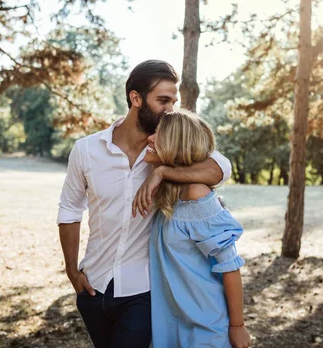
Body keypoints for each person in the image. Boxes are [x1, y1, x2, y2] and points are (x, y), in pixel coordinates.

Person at [56, 60, 232, 348]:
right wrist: (72, 270)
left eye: (173, 101)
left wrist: (163, 171)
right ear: (135, 98)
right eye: (163, 100)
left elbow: (221, 168)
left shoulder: (166, 152)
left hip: (144, 292)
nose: (170, 109)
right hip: (93, 287)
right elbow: (70, 209)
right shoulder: (86, 150)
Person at [143, 110, 251, 348]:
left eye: (157, 134)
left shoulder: (196, 193)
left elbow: (230, 266)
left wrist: (237, 326)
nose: (149, 138)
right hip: (171, 325)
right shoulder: (169, 195)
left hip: (206, 328)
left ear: (175, 145)